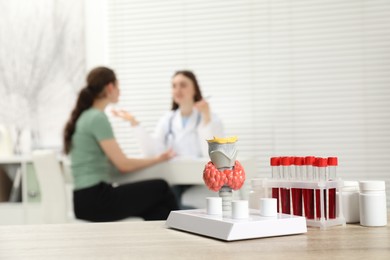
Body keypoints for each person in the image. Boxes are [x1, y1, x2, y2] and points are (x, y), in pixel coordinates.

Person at [63, 66, 178, 222]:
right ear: (110, 87)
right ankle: (180, 238)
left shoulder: (85, 116)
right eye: (118, 86)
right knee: (162, 188)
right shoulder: (97, 118)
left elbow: (114, 167)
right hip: (95, 199)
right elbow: (122, 164)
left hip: (85, 201)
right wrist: (158, 159)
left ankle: (162, 242)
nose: (120, 91)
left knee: (157, 209)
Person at [112, 70, 224, 208]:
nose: (178, 89)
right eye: (174, 86)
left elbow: (213, 155)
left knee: (167, 203)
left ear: (195, 89)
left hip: (198, 179)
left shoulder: (210, 118)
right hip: (175, 177)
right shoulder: (168, 119)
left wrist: (206, 117)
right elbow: (152, 152)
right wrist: (134, 122)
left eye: (183, 85)